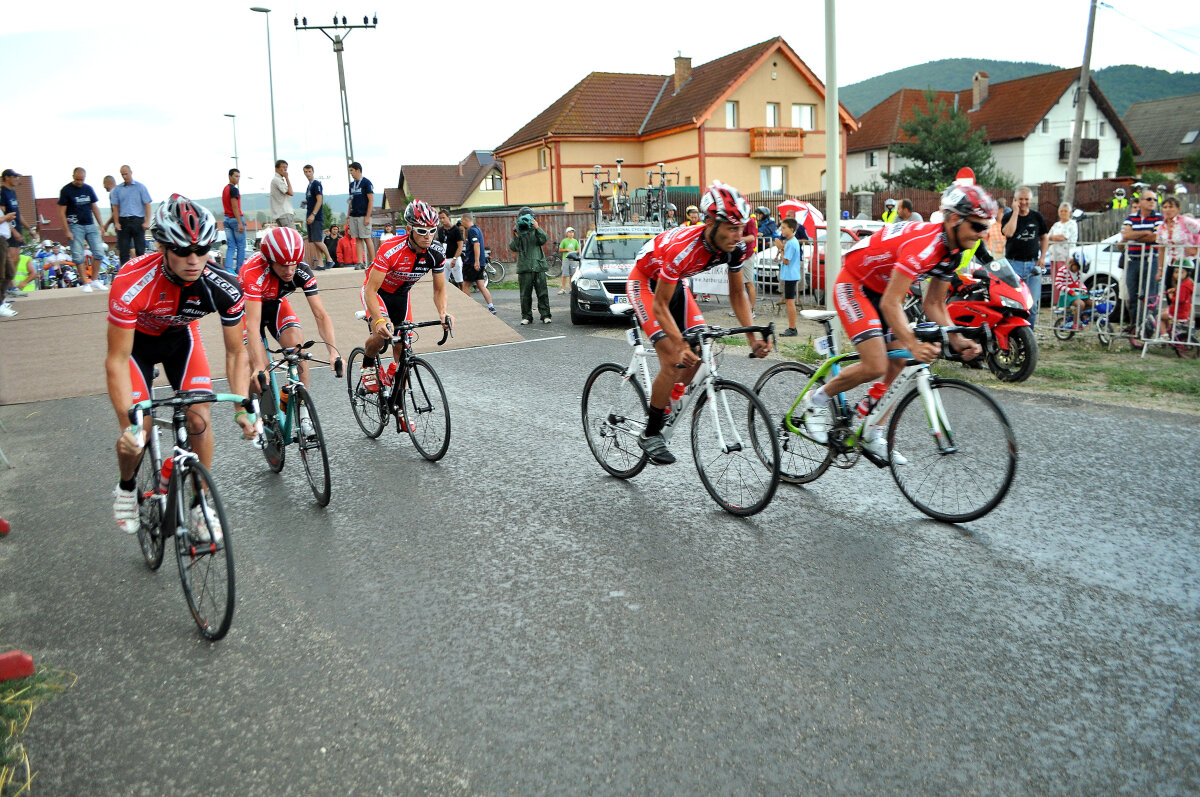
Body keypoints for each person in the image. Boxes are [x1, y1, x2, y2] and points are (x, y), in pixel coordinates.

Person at [797, 184, 991, 460]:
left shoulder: (952, 252)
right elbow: (891, 303)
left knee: (900, 361)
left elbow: (933, 303)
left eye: (985, 227)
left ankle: (872, 429)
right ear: (952, 218)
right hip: (855, 283)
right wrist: (913, 344)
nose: (981, 234)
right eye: (976, 226)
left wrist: (957, 340)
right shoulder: (926, 247)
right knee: (876, 364)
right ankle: (814, 402)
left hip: (882, 289)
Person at [107, 195, 257, 537]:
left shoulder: (226, 287)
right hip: (136, 348)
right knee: (139, 433)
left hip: (181, 342)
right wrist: (128, 425)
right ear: (162, 247)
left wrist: (241, 407)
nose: (193, 260)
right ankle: (127, 486)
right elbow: (115, 359)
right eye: (182, 251)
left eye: (202, 250)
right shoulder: (130, 281)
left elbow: (236, 352)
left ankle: (200, 505)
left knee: (199, 420)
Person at [626, 182, 770, 465]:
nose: (737, 235)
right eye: (730, 227)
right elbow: (659, 305)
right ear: (709, 223)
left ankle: (669, 400)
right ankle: (651, 432)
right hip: (645, 282)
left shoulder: (735, 248)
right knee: (672, 357)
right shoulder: (682, 249)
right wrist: (678, 344)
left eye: (740, 227)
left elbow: (737, 293)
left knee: (700, 349)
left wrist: (753, 338)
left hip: (674, 284)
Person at [358, 199, 453, 428]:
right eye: (422, 231)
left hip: (402, 296)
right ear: (409, 229)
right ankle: (368, 364)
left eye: (432, 230)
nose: (428, 236)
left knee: (404, 347)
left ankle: (399, 406)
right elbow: (371, 289)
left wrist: (443, 313)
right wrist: (380, 319)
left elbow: (439, 289)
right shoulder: (390, 249)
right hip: (377, 292)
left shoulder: (436, 253)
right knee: (383, 335)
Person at [239, 227, 341, 434]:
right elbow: (252, 323)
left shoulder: (301, 270)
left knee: (298, 349)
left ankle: (303, 412)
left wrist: (333, 351)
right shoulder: (253, 272)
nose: (289, 270)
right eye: (283, 265)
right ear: (269, 260)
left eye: (293, 263)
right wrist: (259, 365)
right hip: (248, 311)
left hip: (276, 304)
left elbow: (320, 314)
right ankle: (254, 411)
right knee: (260, 368)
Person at [1001, 186, 1048, 325]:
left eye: (1026, 199)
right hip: (1013, 264)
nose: (1023, 202)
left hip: (1033, 264)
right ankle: (1014, 334)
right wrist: (1015, 212)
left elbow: (1044, 237)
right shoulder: (1008, 216)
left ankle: (1029, 336)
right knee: (1013, 303)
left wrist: (1043, 257)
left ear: (1031, 200)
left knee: (1031, 305)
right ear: (1015, 200)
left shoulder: (1037, 217)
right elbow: (1008, 233)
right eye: (1021, 199)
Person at [57, 167, 107, 293]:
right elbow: (61, 212)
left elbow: (94, 207)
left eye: (82, 179)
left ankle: (95, 280)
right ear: (73, 176)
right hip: (75, 225)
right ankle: (85, 282)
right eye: (77, 179)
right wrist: (66, 230)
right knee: (78, 255)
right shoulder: (66, 190)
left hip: (90, 224)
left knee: (99, 252)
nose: (79, 182)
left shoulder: (88, 189)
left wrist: (101, 224)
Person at [1122, 188, 1164, 332]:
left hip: (1151, 260)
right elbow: (1125, 235)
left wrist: (1135, 234)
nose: (1153, 202)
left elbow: (1156, 237)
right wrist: (1146, 232)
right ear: (1140, 202)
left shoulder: (1159, 217)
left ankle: (1148, 328)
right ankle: (1136, 326)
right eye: (1149, 199)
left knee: (1149, 295)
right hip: (1133, 260)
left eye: (1154, 199)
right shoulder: (1130, 217)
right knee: (1133, 295)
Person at [509, 207, 550, 324]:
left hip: (538, 266)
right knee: (525, 295)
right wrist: (516, 235)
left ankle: (545, 315)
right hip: (524, 267)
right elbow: (513, 247)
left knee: (542, 293)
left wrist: (537, 228)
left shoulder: (536, 231)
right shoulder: (519, 231)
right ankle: (526, 316)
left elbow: (544, 239)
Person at [110, 165, 152, 265]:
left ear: (131, 172)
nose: (124, 176)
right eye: (122, 174)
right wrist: (116, 222)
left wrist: (147, 221)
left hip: (138, 220)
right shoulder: (117, 189)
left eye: (126, 174)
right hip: (123, 221)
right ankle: (125, 273)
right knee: (124, 251)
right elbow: (115, 207)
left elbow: (147, 204)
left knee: (140, 250)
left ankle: (141, 271)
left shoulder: (140, 187)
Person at [459, 211, 495, 312]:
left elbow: (476, 245)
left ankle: (468, 307)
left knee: (465, 285)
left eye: (462, 221)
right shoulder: (477, 229)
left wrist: (476, 261)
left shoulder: (472, 231)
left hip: (471, 263)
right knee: (481, 285)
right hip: (481, 262)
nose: (461, 223)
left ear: (466, 220)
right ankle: (491, 306)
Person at [1047, 202, 1078, 307]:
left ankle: (1066, 302)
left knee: (1065, 281)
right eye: (1061, 211)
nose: (1063, 213)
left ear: (1070, 212)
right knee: (1056, 281)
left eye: (1065, 211)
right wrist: (1053, 237)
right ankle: (1056, 303)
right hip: (1054, 257)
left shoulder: (1072, 223)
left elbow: (1063, 237)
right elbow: (1048, 237)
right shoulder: (1056, 225)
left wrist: (1052, 237)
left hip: (1065, 256)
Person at [302, 164, 330, 270]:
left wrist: (313, 214)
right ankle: (320, 263)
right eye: (306, 172)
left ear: (313, 172)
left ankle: (329, 258)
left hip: (316, 216)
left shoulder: (316, 184)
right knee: (314, 240)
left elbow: (319, 200)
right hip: (309, 215)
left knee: (317, 239)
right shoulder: (309, 186)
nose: (308, 173)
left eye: (309, 171)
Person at [347, 161, 375, 268]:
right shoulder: (352, 185)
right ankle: (360, 262)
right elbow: (350, 201)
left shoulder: (366, 183)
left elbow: (371, 200)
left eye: (352, 171)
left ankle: (373, 261)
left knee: (367, 238)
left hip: (364, 215)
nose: (351, 173)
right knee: (357, 238)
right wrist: (348, 216)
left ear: (358, 170)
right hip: (354, 215)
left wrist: (368, 216)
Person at [778, 218, 803, 337]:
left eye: (784, 228)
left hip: (791, 275)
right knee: (789, 301)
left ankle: (792, 328)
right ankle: (792, 327)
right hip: (790, 275)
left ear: (791, 229)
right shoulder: (791, 241)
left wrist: (781, 249)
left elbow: (787, 261)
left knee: (790, 301)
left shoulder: (792, 243)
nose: (782, 230)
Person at [1056, 249, 1092, 330]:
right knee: (1081, 304)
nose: (1078, 270)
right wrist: (1069, 290)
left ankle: (1080, 314)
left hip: (1077, 294)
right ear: (1072, 263)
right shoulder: (1063, 271)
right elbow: (1058, 284)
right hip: (1067, 295)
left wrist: (1084, 290)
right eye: (1078, 267)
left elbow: (1080, 283)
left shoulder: (1077, 273)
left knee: (1091, 303)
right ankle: (1075, 323)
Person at [1157, 261, 1195, 338]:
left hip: (1178, 312)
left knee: (1159, 317)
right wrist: (1175, 290)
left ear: (1187, 273)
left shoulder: (1183, 286)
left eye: (1181, 272)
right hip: (1182, 310)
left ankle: (1164, 335)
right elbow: (1183, 293)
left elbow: (1180, 299)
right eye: (1176, 272)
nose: (1178, 275)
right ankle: (1169, 330)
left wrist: (1172, 297)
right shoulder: (1187, 283)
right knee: (1163, 311)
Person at [222, 168, 247, 274]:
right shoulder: (234, 190)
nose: (238, 179)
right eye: (236, 176)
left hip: (226, 219)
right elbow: (235, 207)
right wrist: (240, 223)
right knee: (241, 246)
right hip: (235, 219)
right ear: (230, 176)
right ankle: (239, 270)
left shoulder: (225, 189)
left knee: (231, 245)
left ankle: (228, 268)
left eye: (239, 176)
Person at [437, 208, 464, 287]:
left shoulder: (456, 230)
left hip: (454, 258)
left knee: (459, 281)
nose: (442, 220)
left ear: (448, 217)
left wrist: (455, 258)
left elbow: (460, 246)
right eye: (440, 218)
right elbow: (441, 244)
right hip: (445, 259)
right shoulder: (441, 230)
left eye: (443, 218)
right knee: (443, 282)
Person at [270, 159, 295, 229]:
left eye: (286, 167)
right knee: (292, 235)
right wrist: (287, 178)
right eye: (283, 167)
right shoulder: (277, 180)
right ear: (277, 168)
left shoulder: (277, 180)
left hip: (279, 213)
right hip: (284, 212)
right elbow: (290, 192)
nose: (285, 169)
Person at [557, 226, 579, 294]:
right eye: (570, 232)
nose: (571, 234)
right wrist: (566, 249)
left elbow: (578, 249)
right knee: (564, 274)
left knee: (572, 274)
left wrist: (574, 252)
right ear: (567, 233)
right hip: (565, 259)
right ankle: (563, 289)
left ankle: (571, 289)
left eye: (572, 232)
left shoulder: (575, 241)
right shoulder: (564, 241)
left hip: (573, 259)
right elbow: (560, 249)